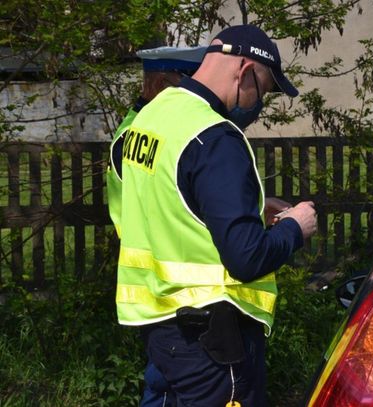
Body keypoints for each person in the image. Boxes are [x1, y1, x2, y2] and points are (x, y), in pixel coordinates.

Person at [115, 24, 317, 407]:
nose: (259, 104)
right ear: (244, 71)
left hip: (160, 325)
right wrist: (295, 227)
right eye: (263, 89)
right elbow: (246, 257)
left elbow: (175, 202)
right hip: (213, 340)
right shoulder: (215, 136)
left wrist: (252, 207)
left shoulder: (153, 116)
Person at [106, 45, 207, 407]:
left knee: (162, 388)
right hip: (173, 287)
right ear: (165, 84)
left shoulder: (133, 130)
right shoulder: (162, 133)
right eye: (189, 82)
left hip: (154, 285)